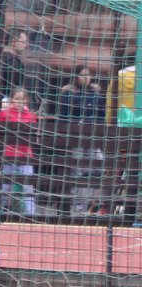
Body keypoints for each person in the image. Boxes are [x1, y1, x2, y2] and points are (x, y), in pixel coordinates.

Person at [52, 66, 106, 215]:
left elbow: (101, 115)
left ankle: (93, 203)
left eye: (88, 75)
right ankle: (77, 207)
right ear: (77, 77)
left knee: (99, 166)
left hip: (91, 137)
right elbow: (63, 115)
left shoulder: (95, 94)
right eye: (82, 75)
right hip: (75, 138)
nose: (86, 78)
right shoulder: (69, 92)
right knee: (77, 171)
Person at [0, 87, 41, 219]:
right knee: (6, 186)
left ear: (26, 100)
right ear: (12, 100)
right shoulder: (4, 114)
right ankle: (3, 212)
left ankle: (30, 213)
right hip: (9, 154)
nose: (20, 102)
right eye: (17, 99)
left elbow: (35, 136)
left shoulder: (31, 116)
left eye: (22, 99)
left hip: (25, 155)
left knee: (27, 186)